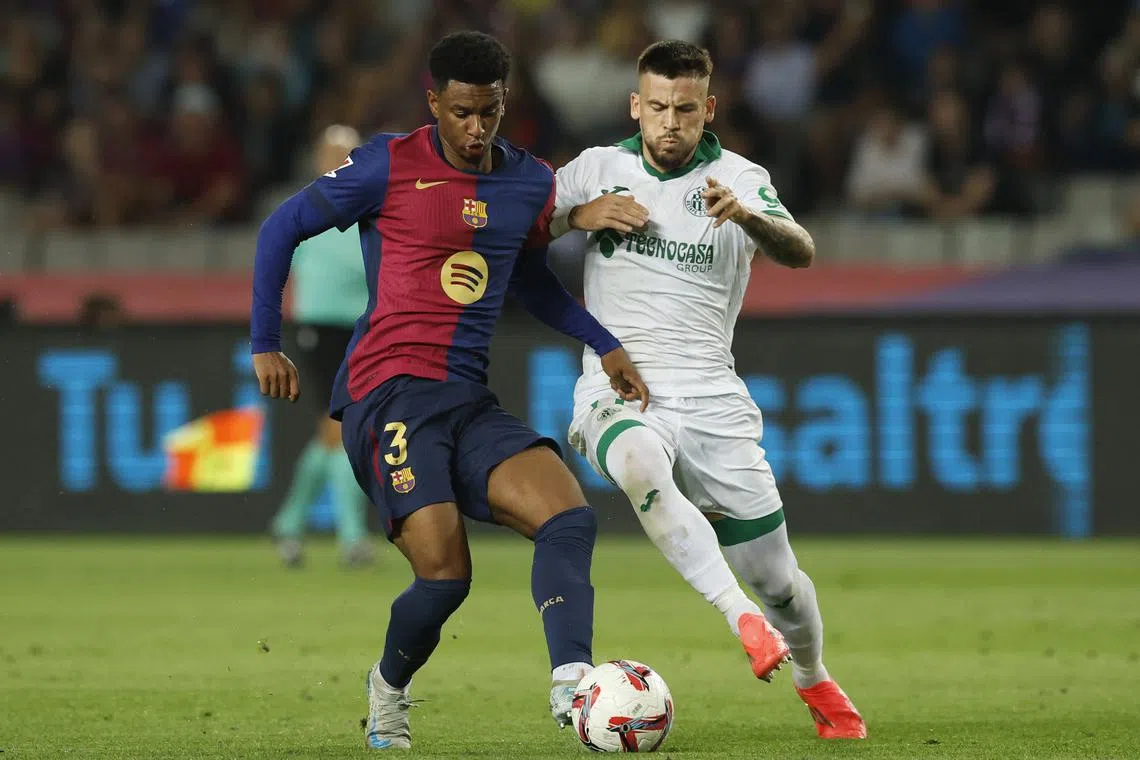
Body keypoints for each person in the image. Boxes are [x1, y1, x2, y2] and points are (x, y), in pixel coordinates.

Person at [248, 31, 649, 750]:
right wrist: (264, 342)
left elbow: (532, 284)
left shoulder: (527, 182)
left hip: (465, 399)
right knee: (445, 576)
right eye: (462, 112)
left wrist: (604, 342)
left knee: (569, 516)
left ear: (504, 104)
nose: (475, 128)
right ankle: (387, 690)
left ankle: (572, 681)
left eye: (489, 112)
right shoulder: (387, 164)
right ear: (434, 102)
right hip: (386, 396)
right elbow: (282, 227)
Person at [550, 40, 866, 740]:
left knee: (780, 580)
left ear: (709, 109)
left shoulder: (740, 178)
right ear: (636, 105)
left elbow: (801, 250)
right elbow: (519, 226)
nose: (670, 123)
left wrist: (748, 218)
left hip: (711, 397)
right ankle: (738, 615)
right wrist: (577, 216)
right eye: (658, 107)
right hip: (620, 386)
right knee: (637, 462)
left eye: (686, 110)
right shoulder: (596, 170)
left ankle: (813, 675)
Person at [269, 124, 373, 569]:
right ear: (317, 159)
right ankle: (352, 538)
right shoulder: (306, 207)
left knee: (332, 435)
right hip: (320, 329)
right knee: (342, 430)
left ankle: (289, 523)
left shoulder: (370, 206)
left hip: (362, 330)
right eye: (332, 153)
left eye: (347, 153)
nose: (339, 160)